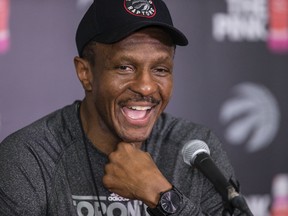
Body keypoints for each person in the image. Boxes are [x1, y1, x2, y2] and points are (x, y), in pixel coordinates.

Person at [0, 0, 246, 215]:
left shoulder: (197, 151)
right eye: (124, 67)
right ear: (85, 73)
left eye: (160, 69)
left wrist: (162, 197)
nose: (147, 87)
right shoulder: (30, 156)